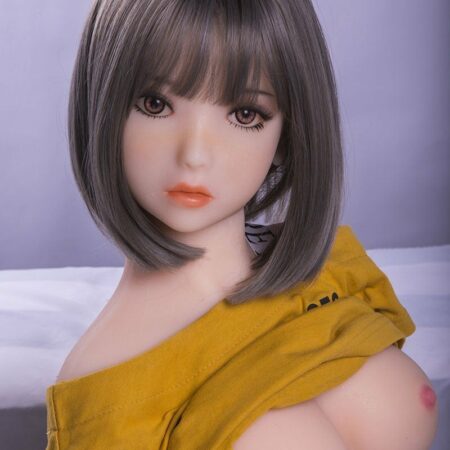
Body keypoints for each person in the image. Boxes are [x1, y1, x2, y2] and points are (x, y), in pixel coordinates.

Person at [45, 1, 438, 448]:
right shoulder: (108, 387)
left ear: (288, 133)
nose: (195, 154)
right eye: (156, 104)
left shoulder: (330, 275)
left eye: (245, 114)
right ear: (103, 107)